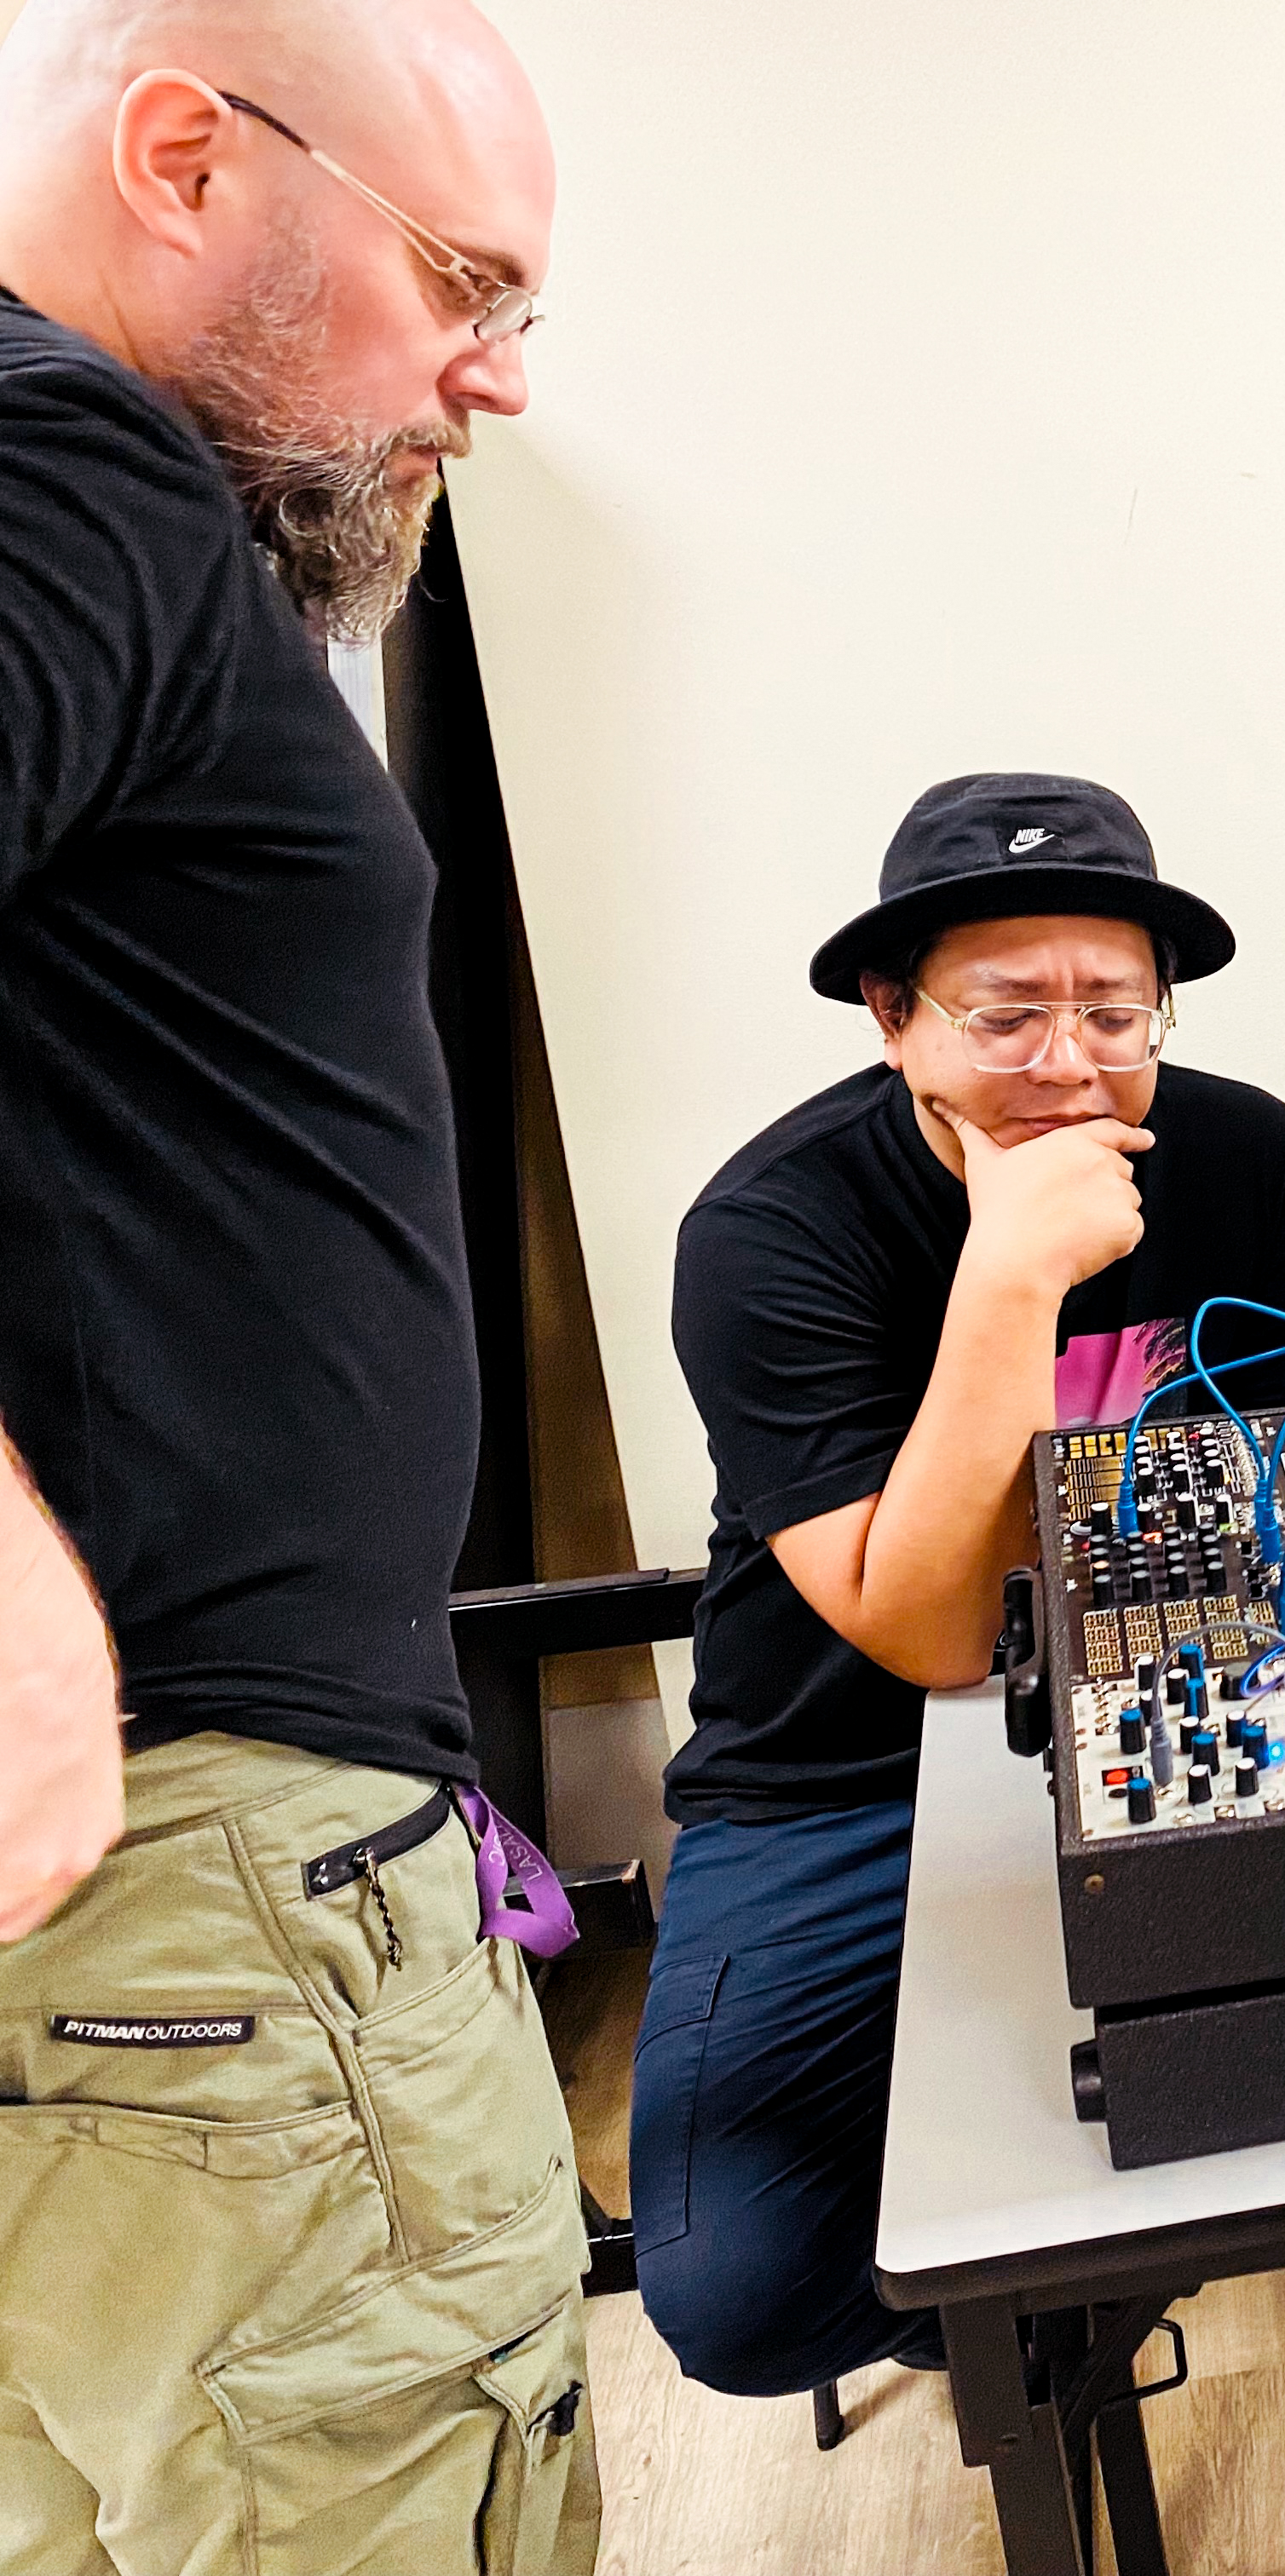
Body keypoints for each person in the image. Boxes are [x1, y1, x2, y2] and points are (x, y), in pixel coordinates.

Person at [0, 5, 596, 2570]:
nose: (499, 375)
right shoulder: (73, 470)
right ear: (180, 156)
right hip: (202, 1881)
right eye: (460, 274)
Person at [631, 773, 1285, 2396]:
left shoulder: (1237, 1151)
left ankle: (1105, 2251)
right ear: (895, 1021)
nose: (1069, 1065)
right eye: (1006, 1017)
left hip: (1172, 1705)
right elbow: (937, 1634)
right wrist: (1013, 1266)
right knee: (738, 2296)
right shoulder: (767, 1230)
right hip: (835, 1773)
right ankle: (1041, 2297)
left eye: (1113, 1011)